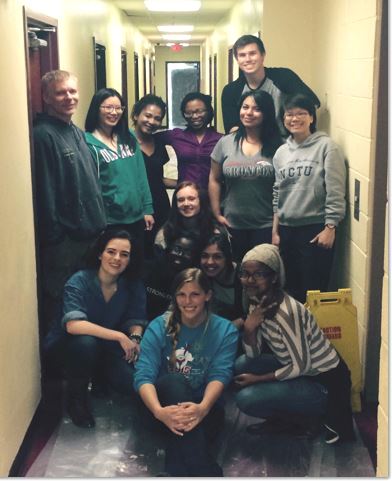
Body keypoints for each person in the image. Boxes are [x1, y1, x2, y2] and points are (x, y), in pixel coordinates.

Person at [234, 243, 355, 444]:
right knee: (242, 364)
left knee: (246, 398)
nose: (249, 280)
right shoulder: (257, 301)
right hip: (297, 368)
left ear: (274, 277)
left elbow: (302, 366)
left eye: (258, 274)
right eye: (244, 273)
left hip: (323, 381)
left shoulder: (287, 312)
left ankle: (308, 416)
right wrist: (249, 329)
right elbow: (253, 355)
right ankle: (289, 418)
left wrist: (258, 379)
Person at [134, 268, 239, 476]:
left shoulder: (226, 330)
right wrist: (159, 412)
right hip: (159, 408)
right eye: (181, 294)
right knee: (175, 382)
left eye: (195, 294)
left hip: (204, 410)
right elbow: (143, 374)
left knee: (190, 431)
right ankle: (204, 470)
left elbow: (220, 374)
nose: (187, 301)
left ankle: (173, 474)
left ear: (208, 296)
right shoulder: (159, 325)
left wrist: (203, 408)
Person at [44, 229, 148, 428]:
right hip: (68, 347)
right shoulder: (79, 281)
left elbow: (137, 318)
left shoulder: (132, 285)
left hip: (105, 347)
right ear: (100, 253)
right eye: (111, 251)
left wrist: (135, 338)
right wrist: (119, 336)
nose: (117, 258)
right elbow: (73, 325)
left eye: (124, 254)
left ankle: (101, 376)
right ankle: (77, 400)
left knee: (130, 384)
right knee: (86, 344)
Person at [33, 70, 107, 336]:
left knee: (83, 303)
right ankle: (62, 369)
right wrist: (56, 237)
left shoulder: (74, 131)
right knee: (62, 306)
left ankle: (84, 362)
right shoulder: (43, 135)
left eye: (72, 91)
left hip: (89, 237)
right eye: (60, 92)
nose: (69, 97)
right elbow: (46, 191)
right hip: (65, 244)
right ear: (46, 97)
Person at [272, 94, 347, 303]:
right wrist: (275, 231)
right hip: (286, 230)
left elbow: (335, 190)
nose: (294, 119)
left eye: (301, 114)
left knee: (313, 291)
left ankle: (311, 334)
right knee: (290, 289)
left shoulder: (326, 147)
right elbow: (277, 193)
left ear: (311, 118)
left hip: (315, 229)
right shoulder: (281, 153)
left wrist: (330, 227)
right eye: (289, 114)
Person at [209, 90, 282, 262]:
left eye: (256, 109)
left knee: (261, 276)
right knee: (235, 273)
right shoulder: (226, 142)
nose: (249, 113)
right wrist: (216, 213)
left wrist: (276, 230)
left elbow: (283, 189)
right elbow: (214, 178)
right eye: (245, 107)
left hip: (266, 225)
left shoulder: (279, 146)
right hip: (232, 224)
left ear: (266, 113)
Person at [84, 88, 154, 266]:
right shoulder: (87, 142)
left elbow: (140, 173)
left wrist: (147, 208)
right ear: (96, 109)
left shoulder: (128, 136)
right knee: (113, 266)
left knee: (136, 264)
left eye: (119, 108)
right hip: (110, 220)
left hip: (136, 216)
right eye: (108, 107)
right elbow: (91, 185)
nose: (114, 112)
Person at [221, 34, 320, 135]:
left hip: (287, 144)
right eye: (242, 55)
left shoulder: (283, 77)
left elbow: (313, 103)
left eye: (252, 53)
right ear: (237, 60)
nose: (248, 59)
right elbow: (232, 128)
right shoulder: (231, 91)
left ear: (262, 55)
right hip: (251, 146)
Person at [131, 94, 177, 258]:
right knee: (138, 252)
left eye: (157, 118)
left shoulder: (159, 142)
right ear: (136, 115)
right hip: (137, 207)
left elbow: (157, 178)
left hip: (161, 205)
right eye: (148, 115)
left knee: (160, 250)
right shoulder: (125, 142)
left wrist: (182, 184)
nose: (152, 121)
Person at [156, 92, 222, 191]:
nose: (194, 116)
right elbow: (146, 138)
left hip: (213, 197)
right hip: (185, 198)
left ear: (208, 111)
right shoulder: (176, 136)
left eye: (199, 111)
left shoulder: (220, 139)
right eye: (189, 113)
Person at [155, 180, 226, 252]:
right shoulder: (165, 233)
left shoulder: (216, 232)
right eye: (181, 200)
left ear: (201, 201)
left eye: (191, 199)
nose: (186, 204)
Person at [143, 234, 200, 321]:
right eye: (177, 249)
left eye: (187, 252)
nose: (180, 254)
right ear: (169, 249)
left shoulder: (191, 281)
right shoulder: (151, 266)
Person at [200, 234, 244, 325]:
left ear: (227, 258)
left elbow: (254, 312)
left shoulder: (243, 277)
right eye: (205, 256)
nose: (210, 262)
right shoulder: (201, 276)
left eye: (217, 257)